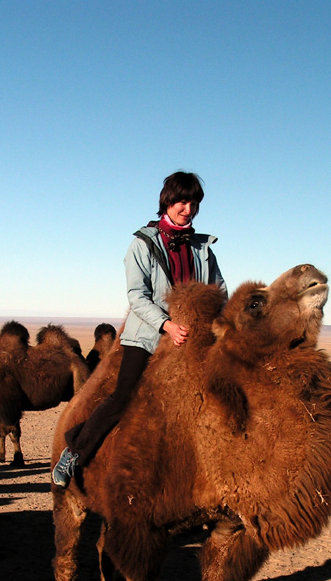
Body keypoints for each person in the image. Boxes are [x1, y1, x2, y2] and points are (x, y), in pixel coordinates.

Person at [52, 171, 227, 488]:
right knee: (123, 398)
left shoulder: (203, 248)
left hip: (192, 337)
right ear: (167, 202)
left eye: (193, 203)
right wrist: (166, 324)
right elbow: (137, 296)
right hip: (148, 334)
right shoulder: (143, 244)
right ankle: (74, 453)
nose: (187, 209)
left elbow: (219, 290)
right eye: (181, 201)